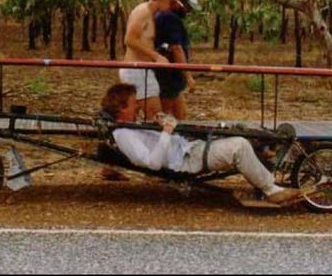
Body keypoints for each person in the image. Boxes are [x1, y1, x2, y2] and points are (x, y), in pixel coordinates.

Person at [100, 83, 305, 205]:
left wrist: (161, 125)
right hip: (187, 160)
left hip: (188, 148)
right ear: (121, 109)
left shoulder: (130, 126)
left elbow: (156, 139)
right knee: (239, 145)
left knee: (238, 130)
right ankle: (271, 190)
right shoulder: (124, 135)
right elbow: (152, 164)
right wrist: (166, 132)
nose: (138, 105)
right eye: (134, 102)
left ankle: (265, 161)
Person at [119, 0, 183, 121]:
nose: (172, 7)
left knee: (140, 118)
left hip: (143, 71)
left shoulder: (153, 15)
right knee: (155, 116)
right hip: (137, 71)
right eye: (171, 2)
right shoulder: (143, 12)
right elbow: (129, 40)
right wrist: (156, 57)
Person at [154, 0, 201, 119]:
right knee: (170, 116)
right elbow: (176, 48)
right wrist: (188, 77)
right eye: (188, 8)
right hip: (168, 77)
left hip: (171, 78)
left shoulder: (164, 16)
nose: (189, 12)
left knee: (180, 116)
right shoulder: (170, 18)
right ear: (180, 3)